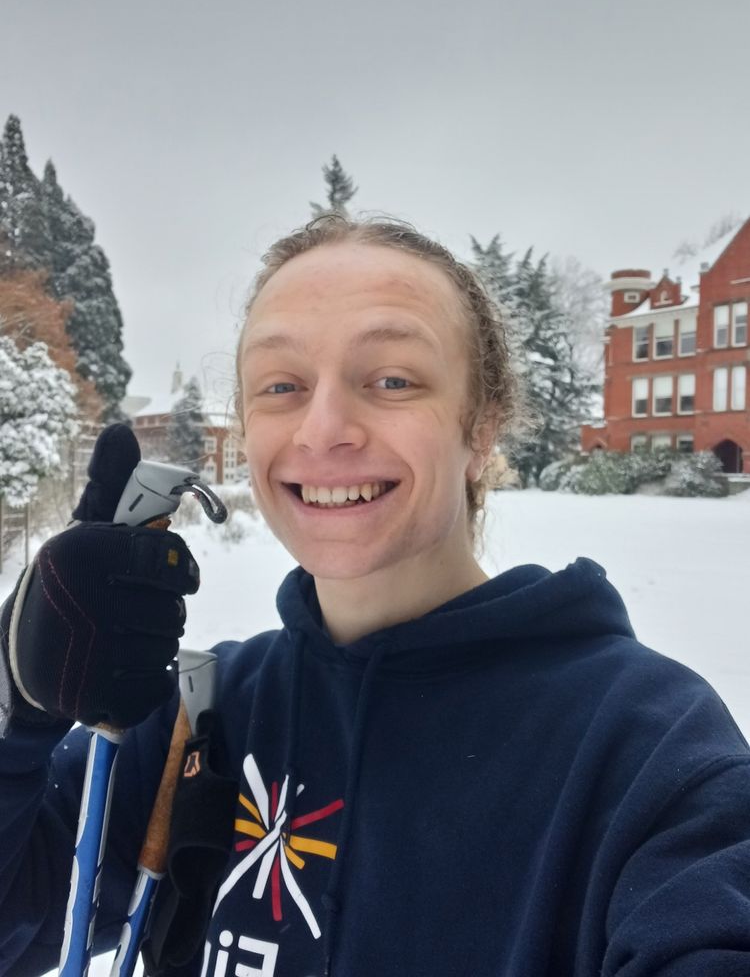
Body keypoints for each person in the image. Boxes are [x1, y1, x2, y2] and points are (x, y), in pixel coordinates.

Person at [1, 215, 750, 977]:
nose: (323, 430)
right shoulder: (201, 721)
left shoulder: (648, 750)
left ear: (483, 423)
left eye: (392, 379)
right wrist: (17, 708)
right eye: (282, 386)